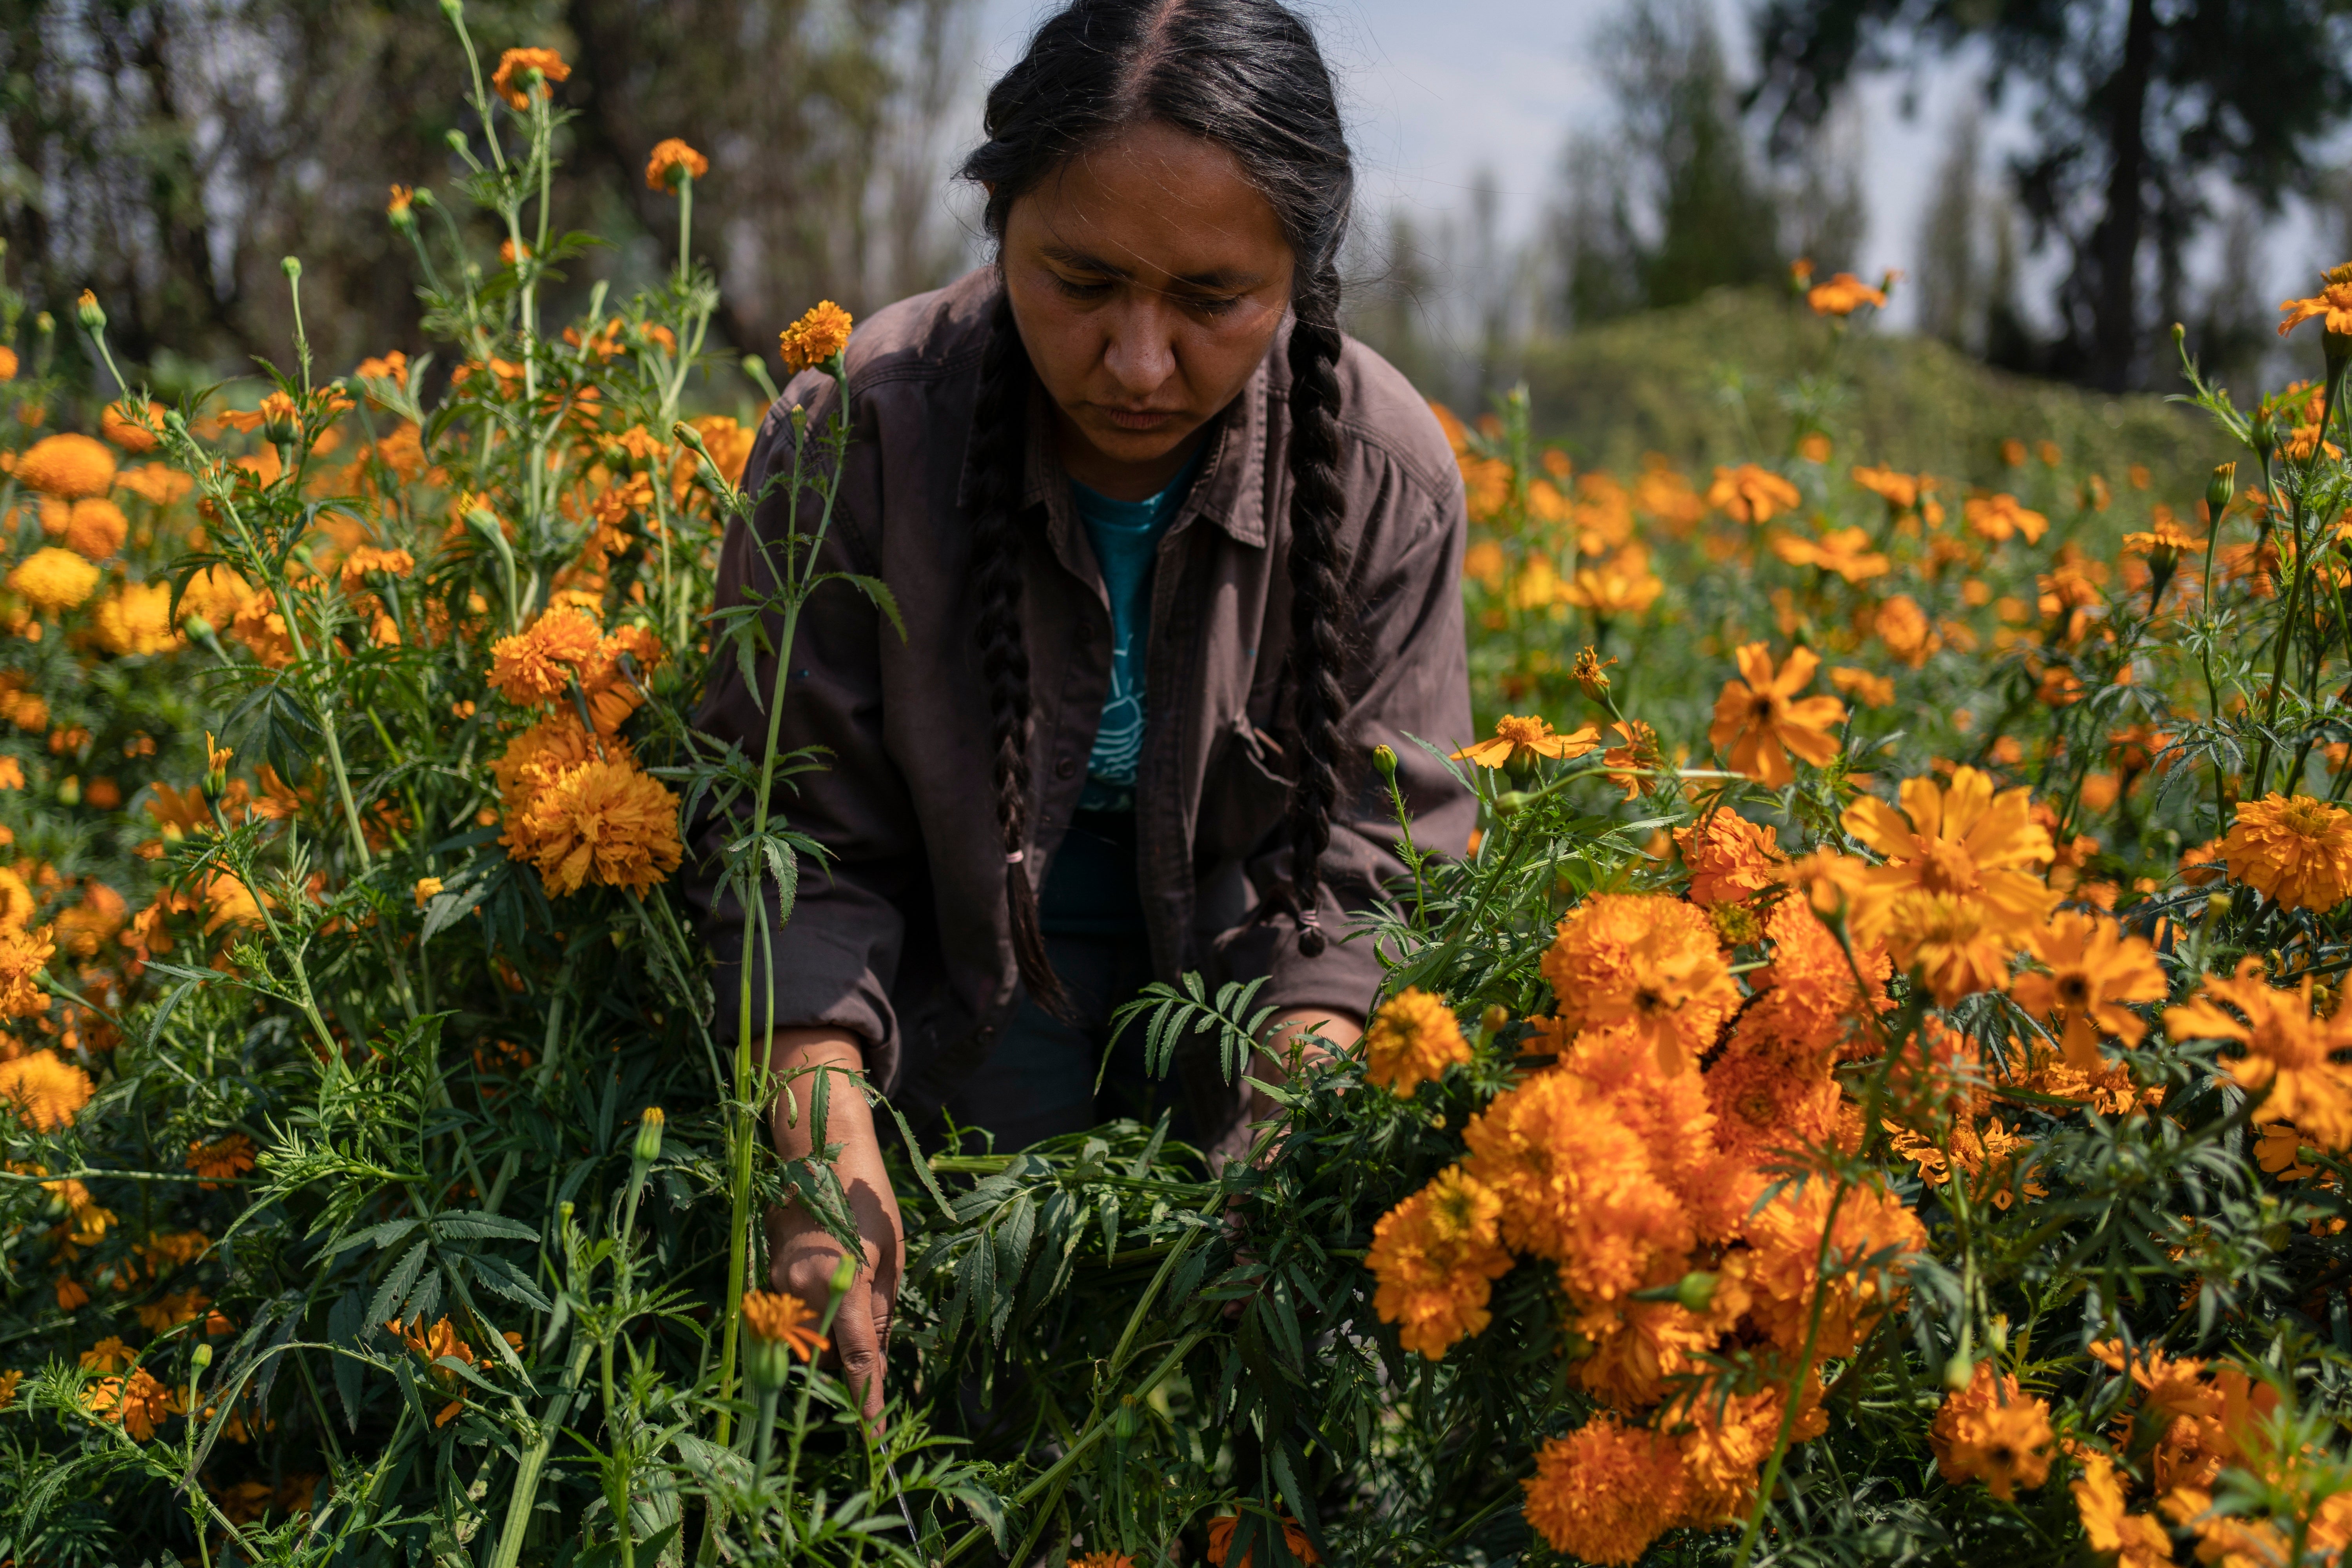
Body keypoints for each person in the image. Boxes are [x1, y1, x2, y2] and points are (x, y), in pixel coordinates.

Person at [684, 0, 1473, 1421]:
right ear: (997, 224)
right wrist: (817, 1131)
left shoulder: (1383, 476)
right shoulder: (861, 433)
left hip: (1246, 1012)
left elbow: (1370, 870)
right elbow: (791, 835)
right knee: (960, 1400)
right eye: (1082, 280)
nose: (1139, 362)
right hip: (950, 1002)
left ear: (1302, 271)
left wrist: (1290, 1155)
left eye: (1213, 300)